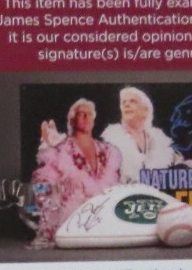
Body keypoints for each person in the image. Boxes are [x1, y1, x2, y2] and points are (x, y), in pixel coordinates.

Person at [29, 98, 123, 248]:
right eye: (81, 114)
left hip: (103, 226)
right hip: (71, 225)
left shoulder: (108, 151)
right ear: (72, 120)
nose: (86, 117)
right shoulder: (60, 152)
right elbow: (45, 190)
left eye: (90, 114)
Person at [99, 85, 179, 183]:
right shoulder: (109, 142)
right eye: (123, 102)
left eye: (133, 101)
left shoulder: (160, 142)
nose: (126, 105)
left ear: (145, 110)